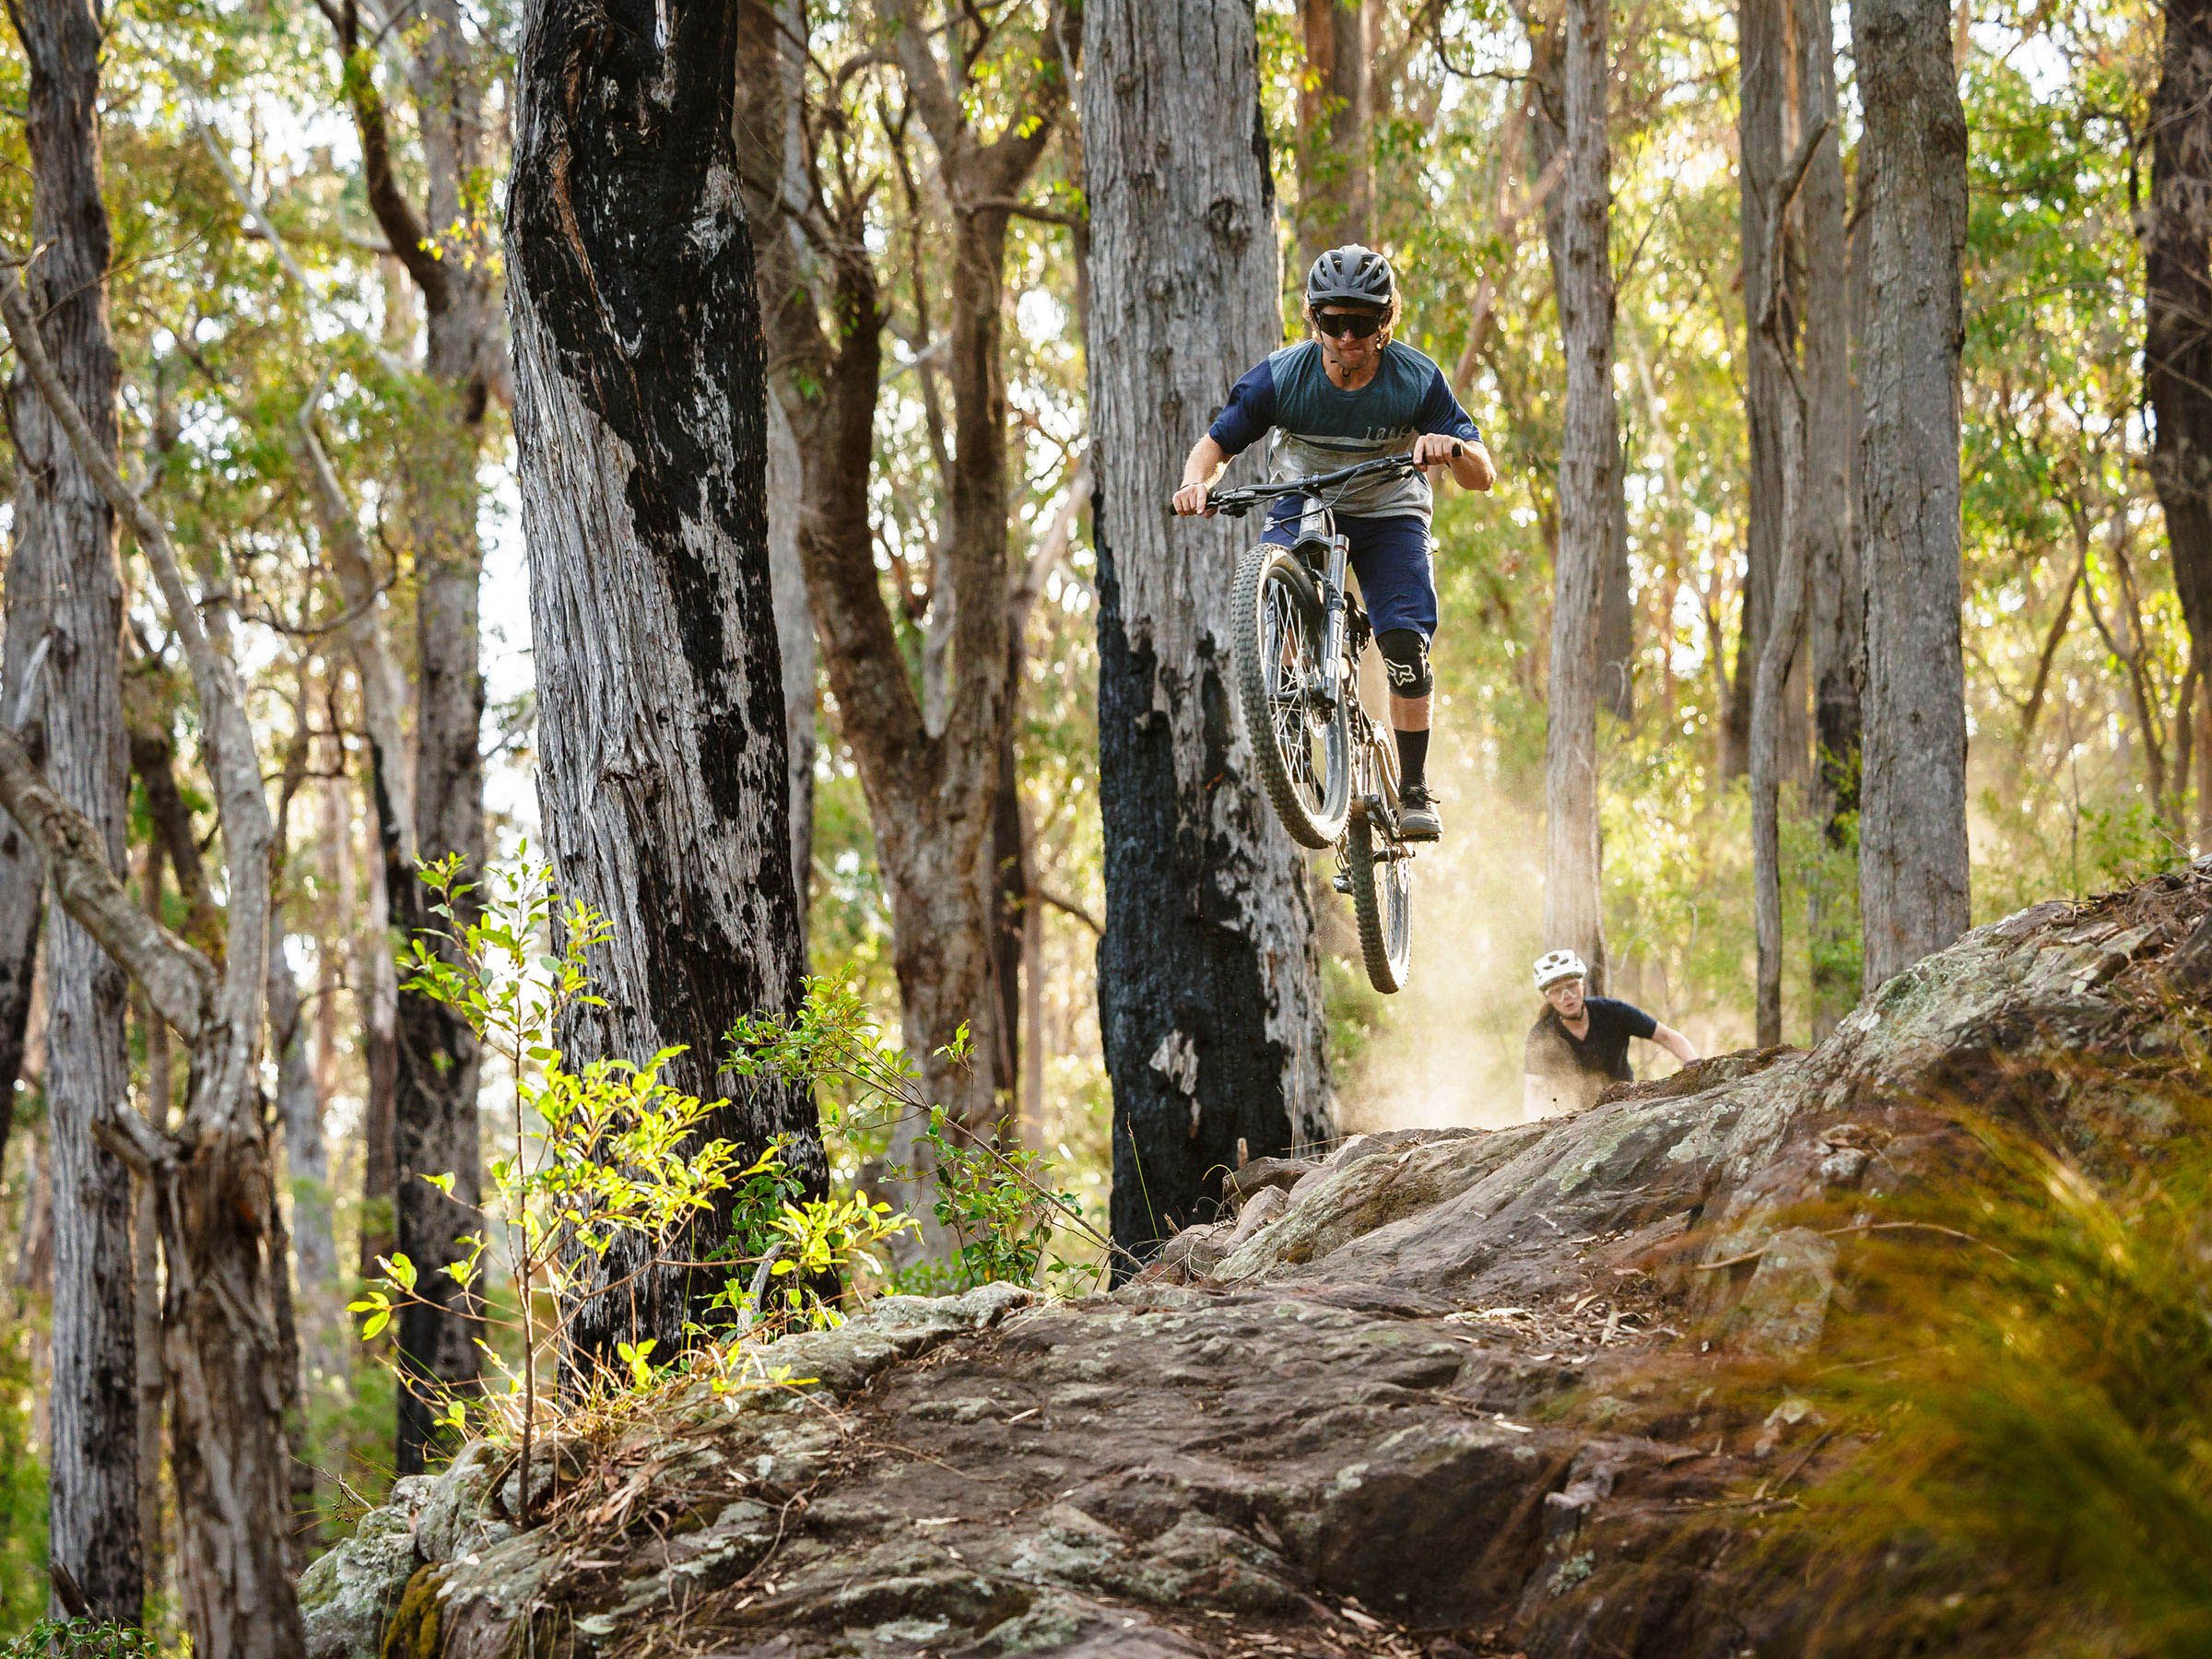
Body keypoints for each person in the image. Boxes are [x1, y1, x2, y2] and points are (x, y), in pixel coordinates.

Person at [1171, 244, 1496, 842]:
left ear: (1386, 322)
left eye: (1363, 323)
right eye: (1333, 321)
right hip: (1306, 499)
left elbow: (1483, 474)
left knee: (1403, 644)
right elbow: (1214, 447)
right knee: (1276, 601)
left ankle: (1417, 788)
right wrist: (1196, 484)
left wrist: (1451, 450)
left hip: (1388, 512)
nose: (1347, 337)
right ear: (1313, 319)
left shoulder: (1416, 378)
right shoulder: (1282, 376)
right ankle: (1291, 730)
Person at [1522, 949, 1700, 1122]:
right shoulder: (1542, 1035)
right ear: (1548, 998)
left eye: (1572, 986)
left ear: (1582, 985)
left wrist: (1695, 1065)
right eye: (1557, 991)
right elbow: (1534, 1088)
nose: (1567, 996)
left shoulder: (1613, 1012)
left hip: (1627, 1103)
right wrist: (1533, 1122)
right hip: (1576, 1118)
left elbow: (1666, 1036)